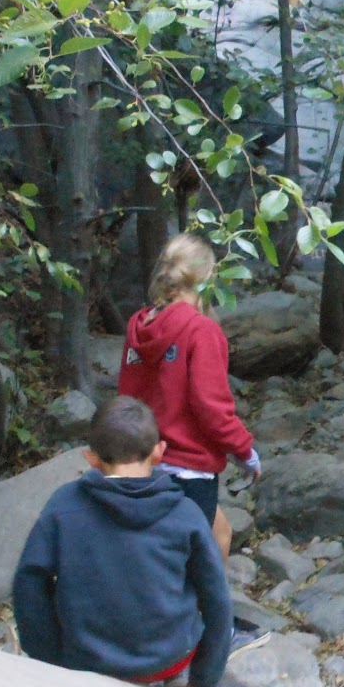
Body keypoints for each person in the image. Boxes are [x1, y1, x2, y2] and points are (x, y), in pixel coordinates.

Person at [13, 397, 234, 687]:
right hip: (166, 664)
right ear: (159, 451)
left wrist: (48, 658)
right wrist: (205, 679)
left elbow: (29, 581)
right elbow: (217, 599)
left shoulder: (64, 505)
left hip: (85, 659)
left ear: (90, 458)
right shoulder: (186, 513)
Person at [118, 233, 260, 558]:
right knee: (189, 561)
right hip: (186, 470)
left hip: (142, 462)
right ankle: (197, 609)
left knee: (219, 532)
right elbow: (211, 405)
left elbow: (127, 396)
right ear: (206, 280)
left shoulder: (139, 326)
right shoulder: (201, 330)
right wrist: (244, 450)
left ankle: (207, 607)